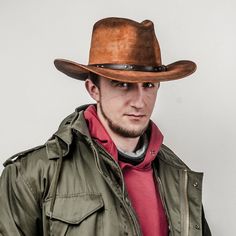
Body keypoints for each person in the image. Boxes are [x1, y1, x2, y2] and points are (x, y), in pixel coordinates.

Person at [0, 17, 211, 236]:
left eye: (148, 85)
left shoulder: (178, 174)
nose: (139, 102)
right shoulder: (31, 174)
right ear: (93, 89)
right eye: (123, 84)